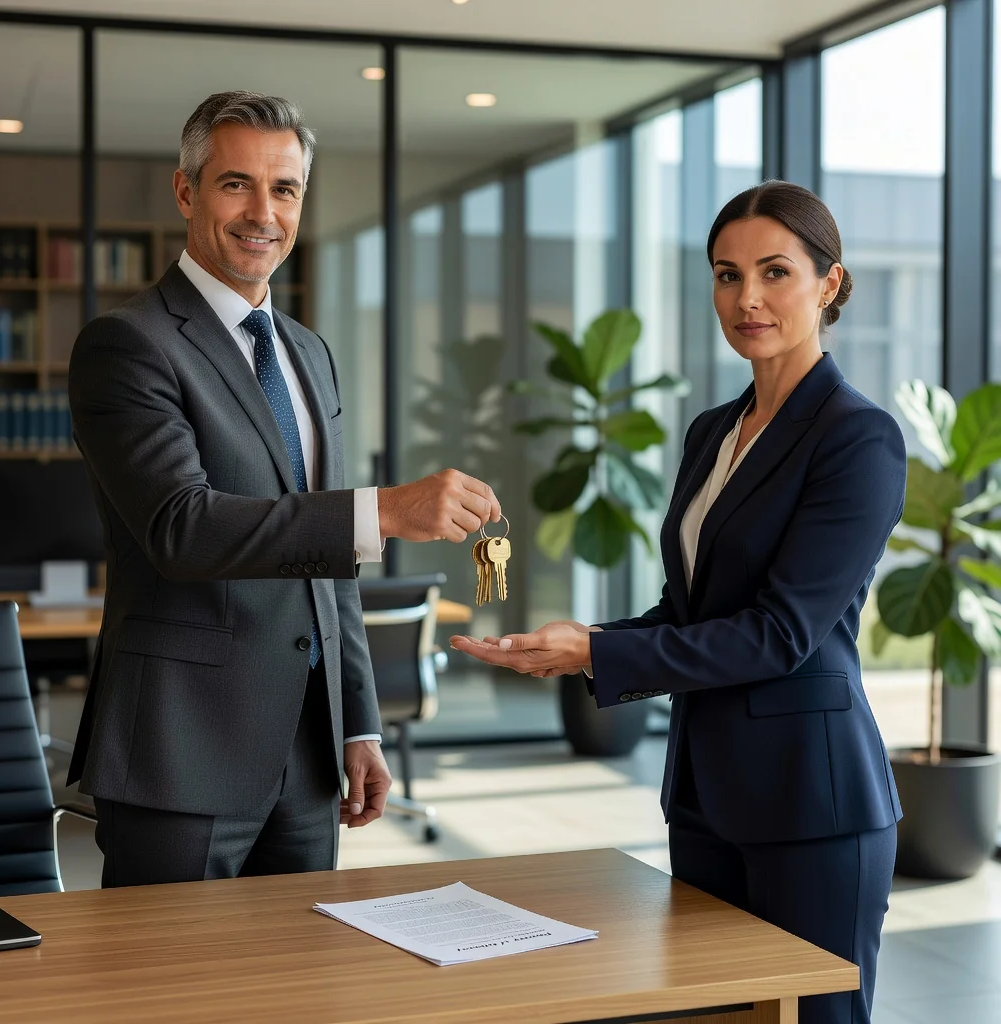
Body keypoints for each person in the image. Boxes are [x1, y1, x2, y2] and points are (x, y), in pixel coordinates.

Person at [451, 180, 905, 1024]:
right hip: (704, 796)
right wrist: (583, 639)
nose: (749, 298)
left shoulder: (857, 437)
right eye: (727, 276)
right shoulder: (712, 431)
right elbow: (691, 607)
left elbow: (780, 635)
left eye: (775, 273)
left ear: (830, 283)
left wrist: (598, 655)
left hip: (813, 806)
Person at [67, 91, 500, 888]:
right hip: (181, 752)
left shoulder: (307, 351)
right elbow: (183, 528)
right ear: (187, 192)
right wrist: (388, 509)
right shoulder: (127, 346)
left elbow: (327, 562)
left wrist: (358, 723)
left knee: (302, 991)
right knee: (175, 1001)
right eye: (237, 184)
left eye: (286, 188)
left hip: (307, 758)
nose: (263, 212)